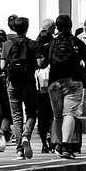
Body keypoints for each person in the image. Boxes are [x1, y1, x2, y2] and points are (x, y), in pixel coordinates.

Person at [40, 14, 86, 159]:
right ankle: (66, 146)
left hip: (55, 82)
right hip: (74, 82)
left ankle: (57, 144)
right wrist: (81, 70)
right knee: (69, 114)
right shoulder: (77, 42)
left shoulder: (52, 43)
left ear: (57, 27)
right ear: (71, 26)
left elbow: (42, 64)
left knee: (57, 117)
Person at [1, 16, 40, 160]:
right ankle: (26, 135)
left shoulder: (7, 44)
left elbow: (2, 66)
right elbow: (40, 64)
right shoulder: (33, 44)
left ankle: (19, 151)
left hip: (12, 84)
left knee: (17, 117)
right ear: (27, 28)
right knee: (31, 113)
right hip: (29, 83)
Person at [34, 18, 55, 153]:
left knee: (41, 118)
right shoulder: (53, 48)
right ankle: (51, 139)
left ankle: (44, 144)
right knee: (52, 116)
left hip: (38, 89)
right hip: (52, 88)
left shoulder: (35, 49)